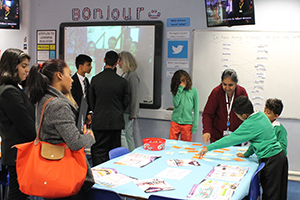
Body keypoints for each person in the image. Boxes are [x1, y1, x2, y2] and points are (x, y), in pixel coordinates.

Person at [26, 59, 95, 199]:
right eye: (69, 75)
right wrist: (89, 136)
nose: (72, 80)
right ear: (59, 76)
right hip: (64, 173)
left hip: (51, 171)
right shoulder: (58, 105)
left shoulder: (44, 99)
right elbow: (75, 142)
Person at [199, 96, 288, 200]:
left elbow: (230, 139)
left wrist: (209, 148)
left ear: (244, 115)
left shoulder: (249, 124)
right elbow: (257, 140)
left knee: (271, 195)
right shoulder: (261, 115)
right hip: (279, 157)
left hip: (271, 161)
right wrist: (246, 154)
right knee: (279, 193)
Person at [0, 48, 36, 200]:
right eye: (23, 66)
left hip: (19, 151)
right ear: (12, 67)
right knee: (17, 194)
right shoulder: (9, 92)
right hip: (18, 152)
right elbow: (26, 124)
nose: (27, 70)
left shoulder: (14, 89)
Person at [89, 50, 129, 166]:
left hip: (100, 121)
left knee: (98, 150)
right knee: (114, 150)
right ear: (116, 63)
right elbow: (125, 102)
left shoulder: (95, 80)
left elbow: (91, 102)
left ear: (104, 60)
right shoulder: (122, 82)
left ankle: (98, 176)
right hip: (116, 122)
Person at [202, 68, 248, 144]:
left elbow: (247, 115)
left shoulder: (241, 92)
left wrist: (246, 133)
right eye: (224, 84)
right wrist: (207, 131)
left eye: (230, 85)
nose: (227, 88)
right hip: (217, 137)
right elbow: (208, 114)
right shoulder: (216, 92)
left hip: (236, 136)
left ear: (236, 83)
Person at [168, 70, 199, 142]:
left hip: (187, 124)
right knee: (171, 143)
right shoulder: (176, 90)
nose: (183, 83)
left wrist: (195, 125)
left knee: (186, 145)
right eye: (180, 81)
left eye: (184, 80)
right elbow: (176, 104)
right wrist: (180, 90)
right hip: (175, 122)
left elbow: (196, 109)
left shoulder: (194, 91)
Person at [118, 51, 140, 151]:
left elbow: (135, 96)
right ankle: (132, 154)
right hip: (126, 111)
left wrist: (133, 113)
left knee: (122, 134)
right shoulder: (125, 74)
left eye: (120, 61)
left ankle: (125, 156)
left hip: (128, 111)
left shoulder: (132, 76)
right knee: (128, 134)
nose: (118, 63)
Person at [71, 54, 93, 128]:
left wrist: (89, 113)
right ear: (80, 66)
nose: (91, 67)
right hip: (77, 115)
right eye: (88, 65)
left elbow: (88, 98)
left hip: (86, 114)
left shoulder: (86, 80)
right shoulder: (72, 81)